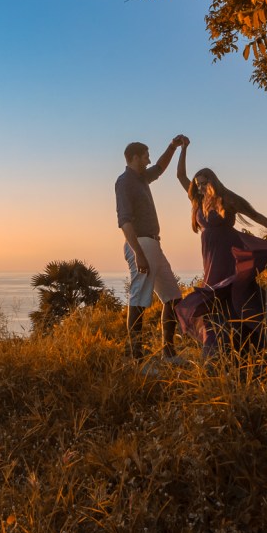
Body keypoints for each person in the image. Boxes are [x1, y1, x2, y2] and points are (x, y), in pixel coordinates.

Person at [175, 148, 267, 350]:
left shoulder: (227, 199)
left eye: (205, 183)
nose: (201, 187)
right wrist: (183, 149)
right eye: (198, 184)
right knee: (217, 295)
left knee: (236, 291)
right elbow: (181, 175)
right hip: (210, 254)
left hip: (228, 250)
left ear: (213, 181)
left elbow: (256, 216)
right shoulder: (197, 200)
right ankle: (231, 340)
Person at [115, 135, 189, 363]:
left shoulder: (142, 178)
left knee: (173, 297)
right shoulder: (125, 182)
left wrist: (173, 147)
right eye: (146, 155)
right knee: (138, 299)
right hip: (141, 243)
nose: (149, 160)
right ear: (134, 157)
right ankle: (137, 360)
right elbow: (124, 221)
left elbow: (160, 167)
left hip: (153, 244)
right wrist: (138, 253)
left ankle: (169, 353)